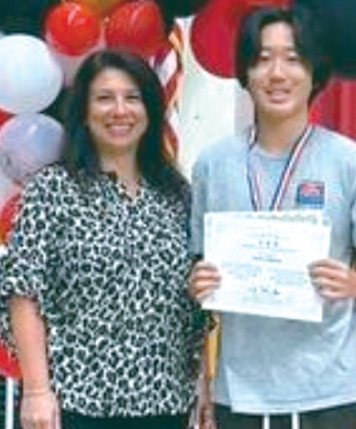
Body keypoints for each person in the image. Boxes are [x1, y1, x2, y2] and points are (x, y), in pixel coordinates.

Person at [188, 6, 356, 429]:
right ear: (245, 73)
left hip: (331, 388)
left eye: (293, 58)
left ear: (315, 72)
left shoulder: (353, 163)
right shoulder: (212, 164)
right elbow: (198, 269)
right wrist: (199, 283)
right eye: (262, 58)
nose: (277, 73)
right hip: (240, 390)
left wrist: (353, 283)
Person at [0, 49, 210, 429]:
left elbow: (195, 309)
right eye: (104, 98)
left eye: (132, 98)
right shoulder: (53, 189)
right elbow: (22, 293)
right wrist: (36, 391)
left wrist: (203, 388)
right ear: (83, 110)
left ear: (150, 110)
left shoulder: (178, 194)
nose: (120, 110)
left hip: (165, 402)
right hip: (75, 402)